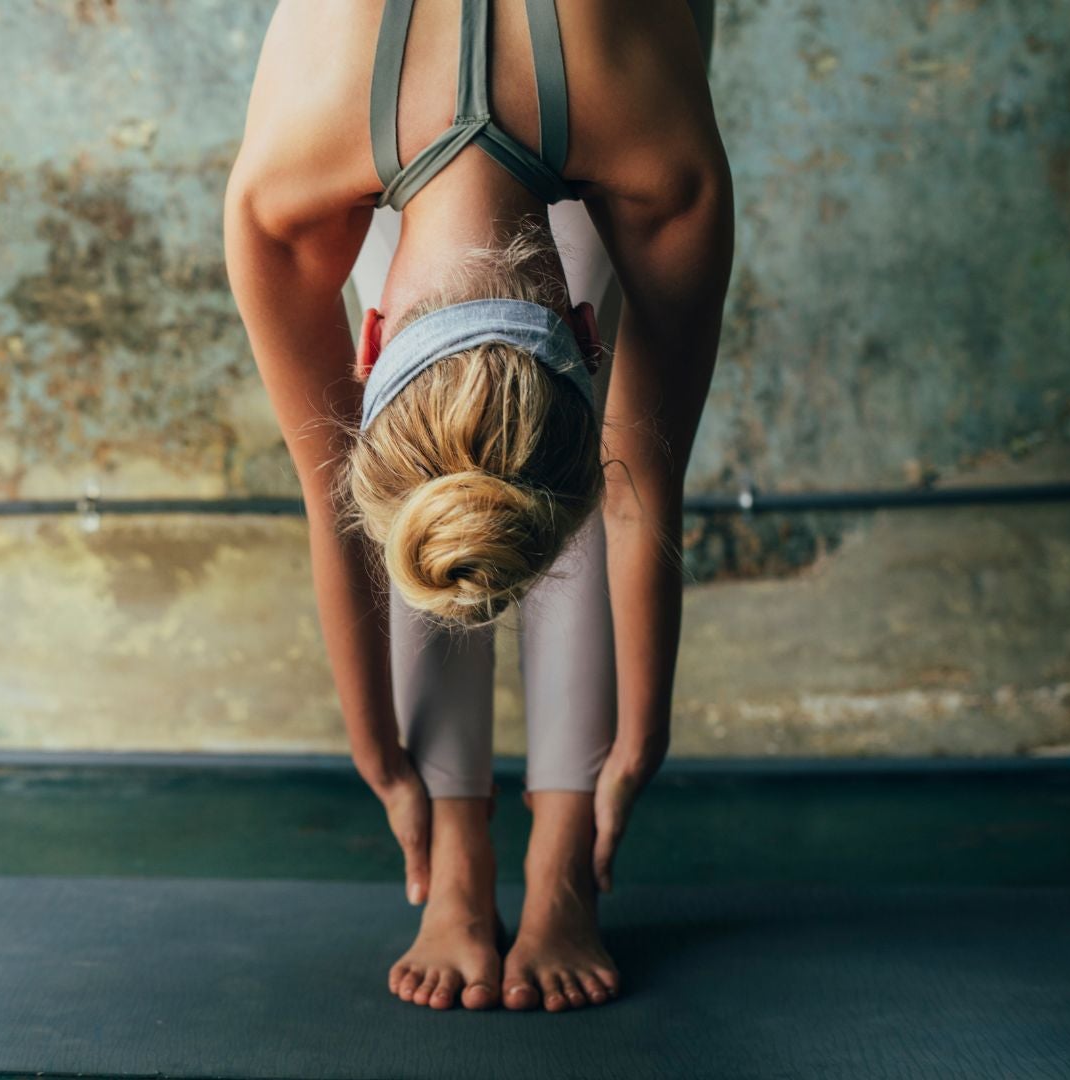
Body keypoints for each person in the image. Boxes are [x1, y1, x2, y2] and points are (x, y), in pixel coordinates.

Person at [224, 0, 731, 1012]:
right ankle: (458, 855)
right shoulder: (291, 183)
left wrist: (633, 744)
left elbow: (640, 473)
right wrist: (386, 759)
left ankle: (561, 858)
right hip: (454, 70)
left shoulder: (656, 155)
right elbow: (347, 502)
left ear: (367, 346)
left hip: (590, 62)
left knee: (517, 458)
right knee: (442, 476)